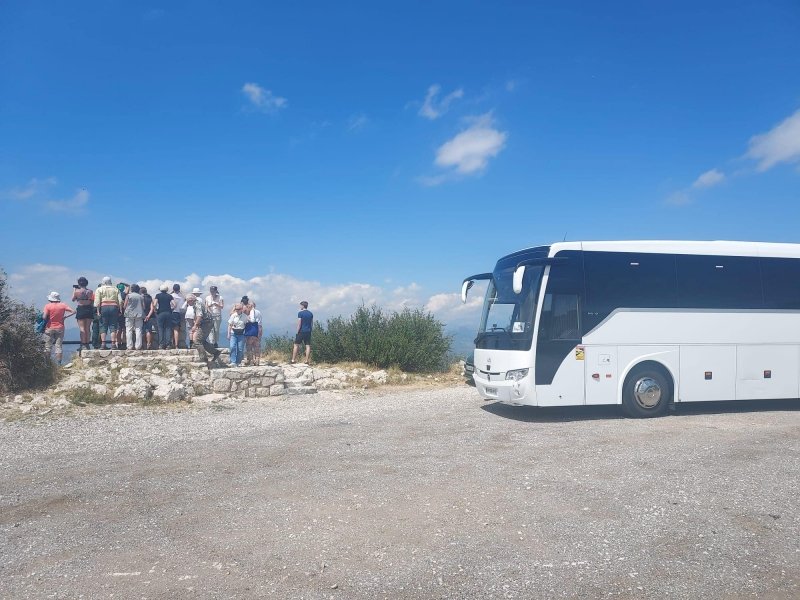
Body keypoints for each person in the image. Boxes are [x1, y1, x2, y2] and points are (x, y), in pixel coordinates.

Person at [186, 294, 221, 369]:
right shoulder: (198, 304)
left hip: (206, 323)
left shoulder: (197, 305)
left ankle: (203, 358)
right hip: (207, 323)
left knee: (197, 341)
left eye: (188, 301)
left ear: (191, 300)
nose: (188, 303)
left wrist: (195, 325)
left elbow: (199, 316)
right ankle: (215, 352)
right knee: (202, 340)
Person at [42, 291, 75, 364]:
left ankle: (47, 363)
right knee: (58, 346)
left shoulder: (47, 306)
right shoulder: (63, 305)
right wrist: (65, 317)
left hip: (49, 327)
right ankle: (59, 364)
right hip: (60, 327)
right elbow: (73, 311)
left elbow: (44, 317)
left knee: (47, 346)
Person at [94, 276, 121, 349]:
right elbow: (120, 301)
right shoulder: (116, 289)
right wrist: (120, 309)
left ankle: (103, 344)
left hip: (103, 307)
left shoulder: (99, 289)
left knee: (103, 326)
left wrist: (98, 311)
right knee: (113, 326)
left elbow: (97, 302)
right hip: (114, 307)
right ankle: (113, 344)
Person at [71, 277, 94, 352]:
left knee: (82, 328)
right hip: (89, 309)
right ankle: (87, 344)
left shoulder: (77, 291)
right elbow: (91, 300)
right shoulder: (90, 291)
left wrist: (74, 290)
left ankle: (83, 344)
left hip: (81, 309)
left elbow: (73, 299)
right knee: (88, 328)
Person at [123, 284, 145, 350]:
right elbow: (143, 306)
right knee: (138, 330)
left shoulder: (128, 295)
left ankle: (129, 346)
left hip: (129, 314)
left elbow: (124, 306)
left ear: (131, 289)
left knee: (129, 329)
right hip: (139, 314)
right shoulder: (141, 297)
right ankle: (138, 346)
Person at [155, 283, 176, 350]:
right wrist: (171, 309)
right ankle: (168, 345)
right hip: (168, 313)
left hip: (160, 313)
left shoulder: (157, 295)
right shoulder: (169, 296)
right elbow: (174, 304)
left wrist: (156, 310)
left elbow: (154, 304)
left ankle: (161, 345)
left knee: (160, 329)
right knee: (168, 328)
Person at [244, 302, 263, 366]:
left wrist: (247, 318)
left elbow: (252, 320)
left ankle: (250, 360)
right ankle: (257, 360)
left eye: (248, 305)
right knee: (257, 345)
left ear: (250, 306)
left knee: (249, 345)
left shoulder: (252, 311)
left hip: (252, 329)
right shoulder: (258, 312)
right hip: (259, 328)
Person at [171, 284, 187, 349]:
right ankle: (176, 345)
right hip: (179, 313)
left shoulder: (171, 296)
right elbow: (183, 306)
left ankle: (172, 343)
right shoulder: (181, 297)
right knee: (176, 329)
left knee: (170, 329)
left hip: (171, 312)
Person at [115, 283, 129, 349]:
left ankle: (118, 343)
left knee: (118, 329)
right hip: (124, 313)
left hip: (117, 313)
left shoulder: (115, 294)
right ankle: (124, 343)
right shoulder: (125, 294)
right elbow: (128, 286)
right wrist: (123, 283)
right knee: (124, 329)